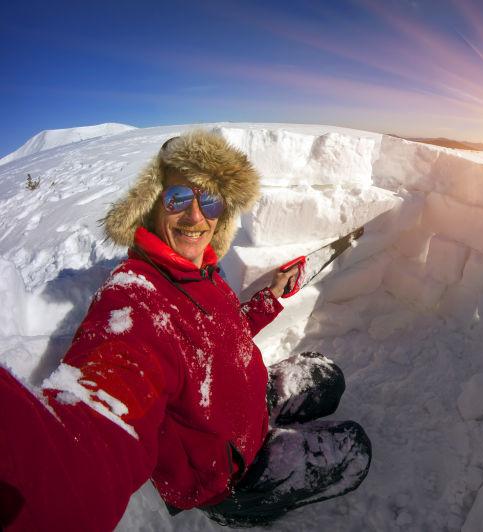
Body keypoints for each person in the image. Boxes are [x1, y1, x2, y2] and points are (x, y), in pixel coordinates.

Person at [0, 130, 371, 530]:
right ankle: (247, 505)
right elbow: (92, 437)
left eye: (209, 200)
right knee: (355, 448)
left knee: (326, 374)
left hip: (245, 408)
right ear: (152, 203)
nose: (195, 217)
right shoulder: (133, 301)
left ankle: (268, 425)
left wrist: (272, 297)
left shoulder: (201, 270)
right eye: (178, 198)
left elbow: (221, 334)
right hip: (222, 473)